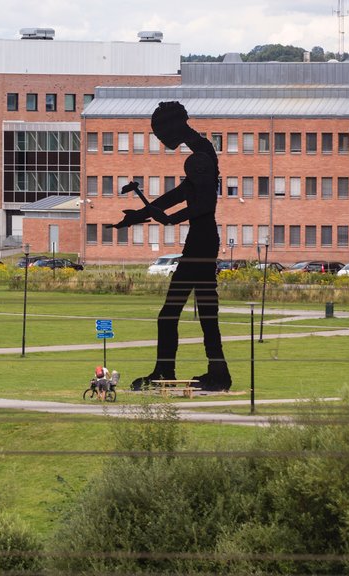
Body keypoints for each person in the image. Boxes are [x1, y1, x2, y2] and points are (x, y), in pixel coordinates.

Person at [115, 101, 232, 392]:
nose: (158, 138)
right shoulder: (200, 153)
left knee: (175, 313)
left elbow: (204, 204)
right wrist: (139, 216)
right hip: (201, 242)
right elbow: (180, 193)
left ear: (173, 126)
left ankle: (170, 371)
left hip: (201, 245)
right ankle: (214, 371)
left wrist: (169, 219)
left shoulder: (200, 156)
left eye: (158, 132)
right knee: (203, 311)